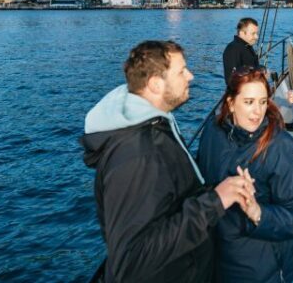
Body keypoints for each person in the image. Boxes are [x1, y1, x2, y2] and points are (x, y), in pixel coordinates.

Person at [80, 40, 256, 283]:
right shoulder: (137, 154)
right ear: (155, 84)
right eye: (182, 71)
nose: (191, 76)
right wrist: (215, 201)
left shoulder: (155, 126)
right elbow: (131, 261)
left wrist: (217, 191)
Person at [197, 67, 293, 282]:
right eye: (249, 102)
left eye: (262, 102)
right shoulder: (212, 132)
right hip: (217, 261)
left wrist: (257, 212)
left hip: (264, 270)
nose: (258, 112)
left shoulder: (279, 146)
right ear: (231, 103)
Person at [223, 17, 261, 85]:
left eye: (257, 33)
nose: (257, 37)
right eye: (253, 33)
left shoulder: (247, 46)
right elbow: (232, 80)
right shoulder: (233, 49)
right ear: (242, 33)